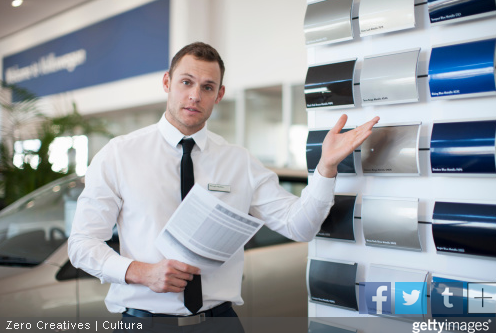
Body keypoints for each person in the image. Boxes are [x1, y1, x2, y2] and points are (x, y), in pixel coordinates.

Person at [68, 42, 379, 331]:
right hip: (146, 322)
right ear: (167, 82)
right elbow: (82, 245)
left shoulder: (238, 161)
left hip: (220, 321)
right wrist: (140, 272)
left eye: (207, 87)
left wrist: (326, 168)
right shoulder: (119, 154)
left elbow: (299, 227)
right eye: (186, 82)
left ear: (219, 94)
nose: (195, 96)